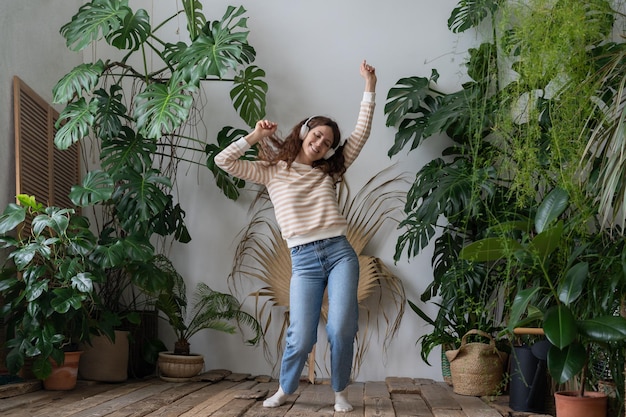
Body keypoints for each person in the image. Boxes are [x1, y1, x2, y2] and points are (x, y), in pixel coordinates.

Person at [215, 60, 377, 412]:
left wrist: (369, 85)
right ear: (304, 131)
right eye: (317, 134)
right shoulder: (272, 171)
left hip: (339, 254)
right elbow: (223, 161)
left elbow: (361, 132)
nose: (321, 143)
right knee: (301, 336)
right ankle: (286, 389)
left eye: (329, 142)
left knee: (340, 329)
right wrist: (255, 137)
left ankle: (340, 392)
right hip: (303, 259)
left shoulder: (329, 171)